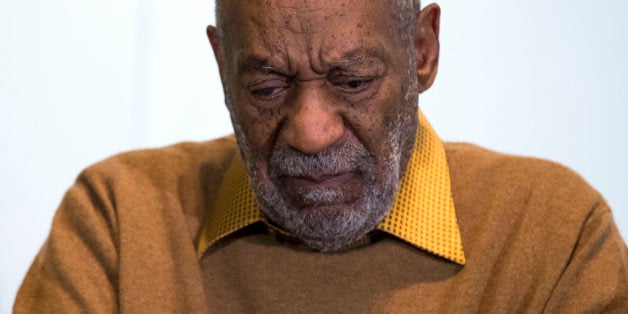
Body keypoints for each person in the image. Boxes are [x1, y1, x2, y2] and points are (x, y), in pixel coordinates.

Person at [14, 0, 627, 312]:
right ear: (222, 68)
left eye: (352, 80)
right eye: (266, 88)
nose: (310, 132)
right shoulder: (121, 220)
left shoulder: (553, 238)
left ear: (422, 50)